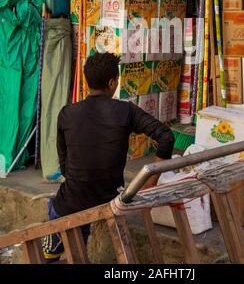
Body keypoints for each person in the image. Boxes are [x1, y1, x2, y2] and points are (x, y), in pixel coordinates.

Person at [42, 52, 174, 262]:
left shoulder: (66, 113)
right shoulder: (125, 110)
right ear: (112, 83)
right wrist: (151, 183)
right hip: (110, 197)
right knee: (77, 210)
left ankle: (54, 253)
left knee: (58, 207)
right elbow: (166, 137)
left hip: (74, 200)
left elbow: (65, 166)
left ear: (87, 82)